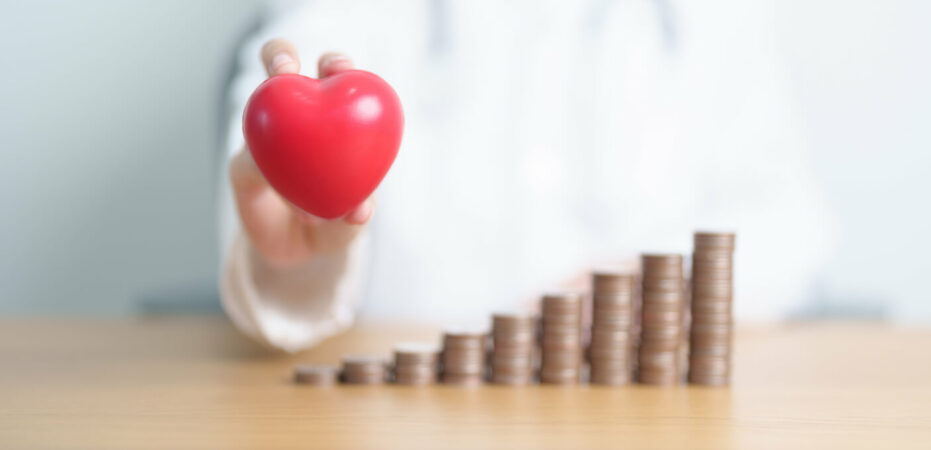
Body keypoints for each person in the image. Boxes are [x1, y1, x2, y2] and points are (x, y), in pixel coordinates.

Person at [219, 0, 833, 352]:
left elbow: (792, 223)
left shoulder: (715, 19)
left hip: (640, 417)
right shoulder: (344, 14)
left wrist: (659, 284)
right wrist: (294, 255)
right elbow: (274, 106)